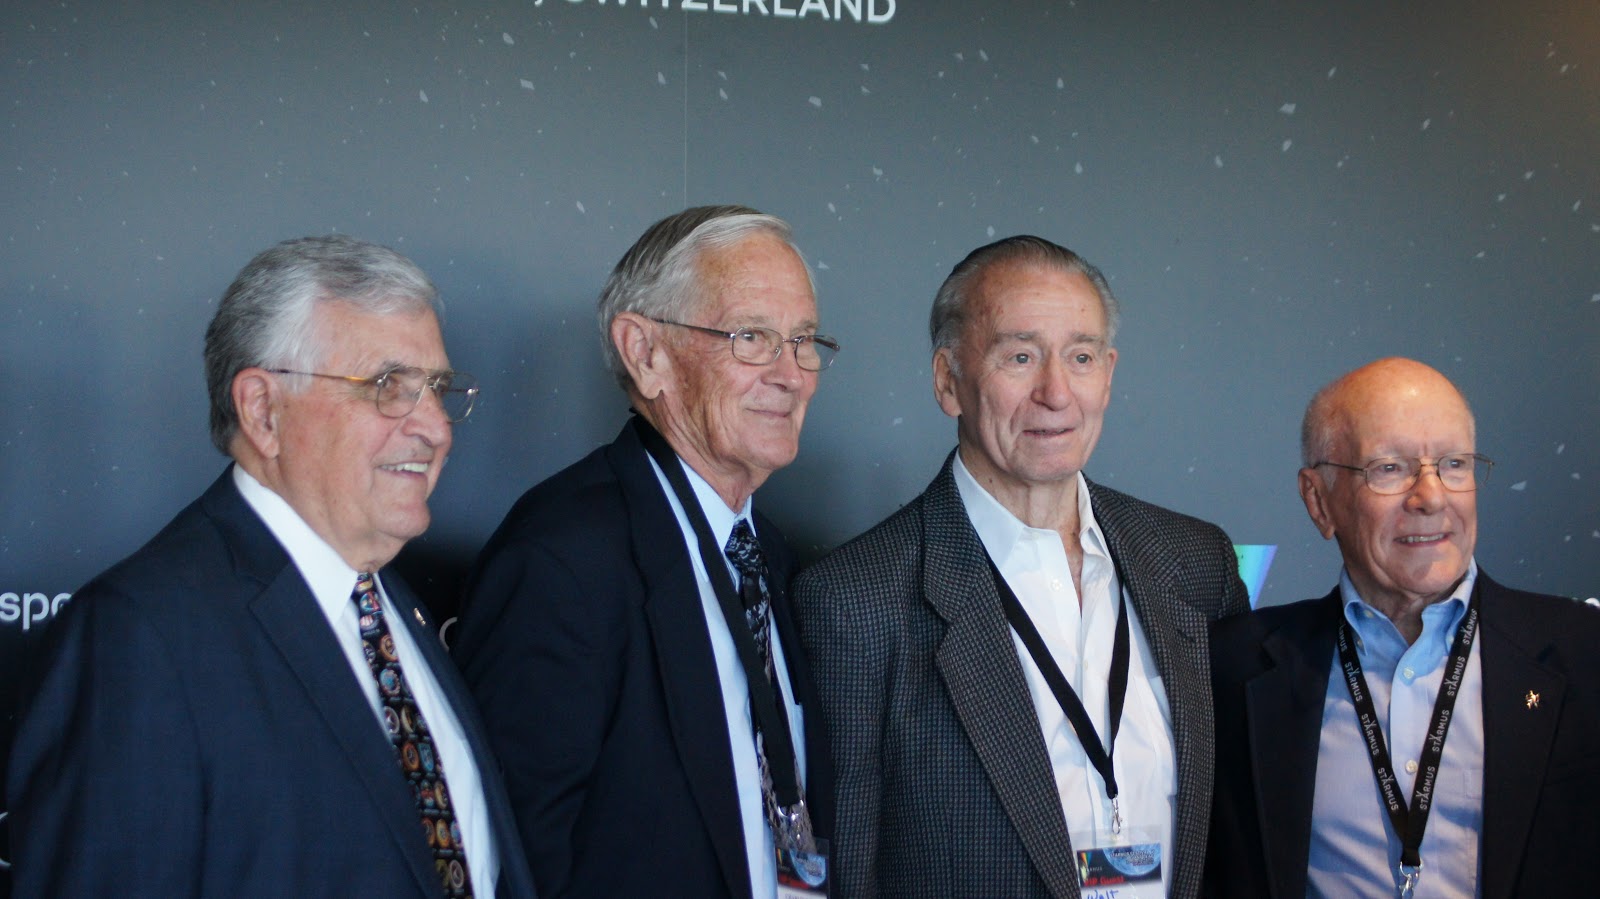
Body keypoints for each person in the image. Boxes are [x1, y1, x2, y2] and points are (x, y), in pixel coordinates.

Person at [4, 235, 537, 899]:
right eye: (388, 387)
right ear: (262, 411)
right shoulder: (139, 639)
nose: (437, 428)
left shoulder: (395, 606)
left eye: (436, 389)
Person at [794, 235, 1249, 899]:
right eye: (1020, 356)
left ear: (1109, 375)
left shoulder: (1196, 565)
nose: (1055, 392)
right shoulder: (856, 601)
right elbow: (845, 878)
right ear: (948, 380)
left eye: (1081, 357)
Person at [452, 205, 838, 899]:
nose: (791, 374)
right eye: (752, 337)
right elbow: (515, 865)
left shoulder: (770, 558)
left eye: (803, 340)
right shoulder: (561, 561)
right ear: (645, 352)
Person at [1205, 356, 1600, 898]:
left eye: (1454, 464)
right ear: (1319, 502)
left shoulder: (1584, 654)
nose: (1431, 497)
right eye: (1389, 468)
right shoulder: (1233, 669)